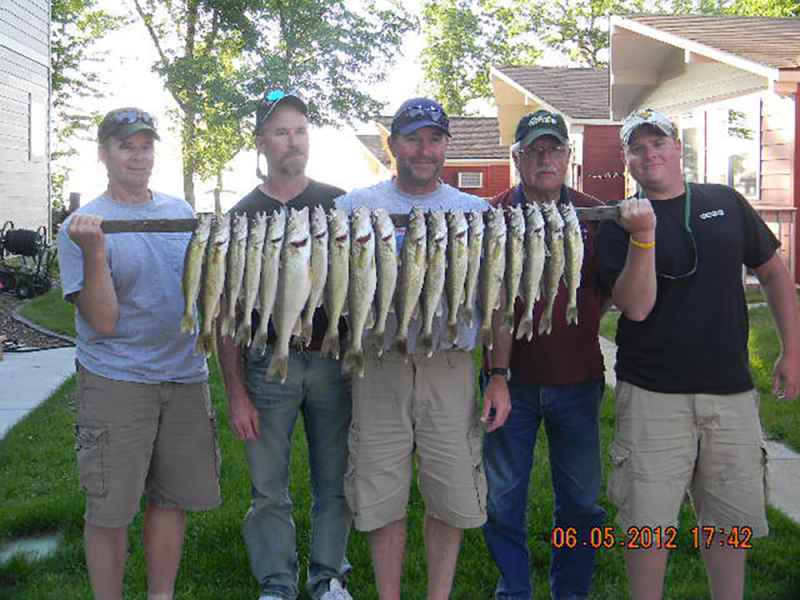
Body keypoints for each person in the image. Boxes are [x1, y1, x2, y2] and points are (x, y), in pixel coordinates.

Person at [597, 108, 800, 600]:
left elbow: (774, 272)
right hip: (652, 396)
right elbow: (637, 307)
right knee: (649, 526)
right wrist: (643, 236)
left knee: (727, 525)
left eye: (658, 143)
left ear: (678, 148)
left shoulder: (725, 202)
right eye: (637, 148)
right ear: (627, 160)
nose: (649, 154)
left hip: (729, 393)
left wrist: (792, 351)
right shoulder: (618, 220)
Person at [335, 97, 511, 600]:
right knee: (379, 489)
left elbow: (496, 302)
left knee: (451, 490)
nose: (423, 149)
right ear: (392, 145)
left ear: (446, 146)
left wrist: (498, 374)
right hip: (378, 362)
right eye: (412, 138)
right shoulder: (353, 208)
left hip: (450, 364)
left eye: (434, 138)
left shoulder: (475, 212)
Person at [57, 107, 221, 600]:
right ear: (103, 153)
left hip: (185, 377)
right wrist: (95, 250)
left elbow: (207, 291)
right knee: (110, 509)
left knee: (171, 501)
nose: (137, 154)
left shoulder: (183, 213)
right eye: (126, 145)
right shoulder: (82, 227)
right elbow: (103, 322)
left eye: (145, 144)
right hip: (116, 382)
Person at [217, 90, 353, 600]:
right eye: (279, 131)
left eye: (299, 130)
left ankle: (328, 575)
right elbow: (226, 314)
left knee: (334, 481)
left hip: (332, 362)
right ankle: (276, 580)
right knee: (267, 486)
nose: (291, 141)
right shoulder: (240, 216)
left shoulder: (342, 204)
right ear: (261, 142)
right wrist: (235, 392)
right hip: (265, 367)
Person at [482, 110, 608, 600]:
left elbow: (609, 291)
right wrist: (496, 373)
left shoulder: (594, 215)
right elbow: (489, 300)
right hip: (509, 382)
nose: (545, 158)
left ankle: (570, 590)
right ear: (516, 158)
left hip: (578, 380)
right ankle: (513, 589)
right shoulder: (491, 217)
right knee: (503, 498)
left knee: (580, 501)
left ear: (569, 156)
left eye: (554, 148)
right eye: (534, 149)